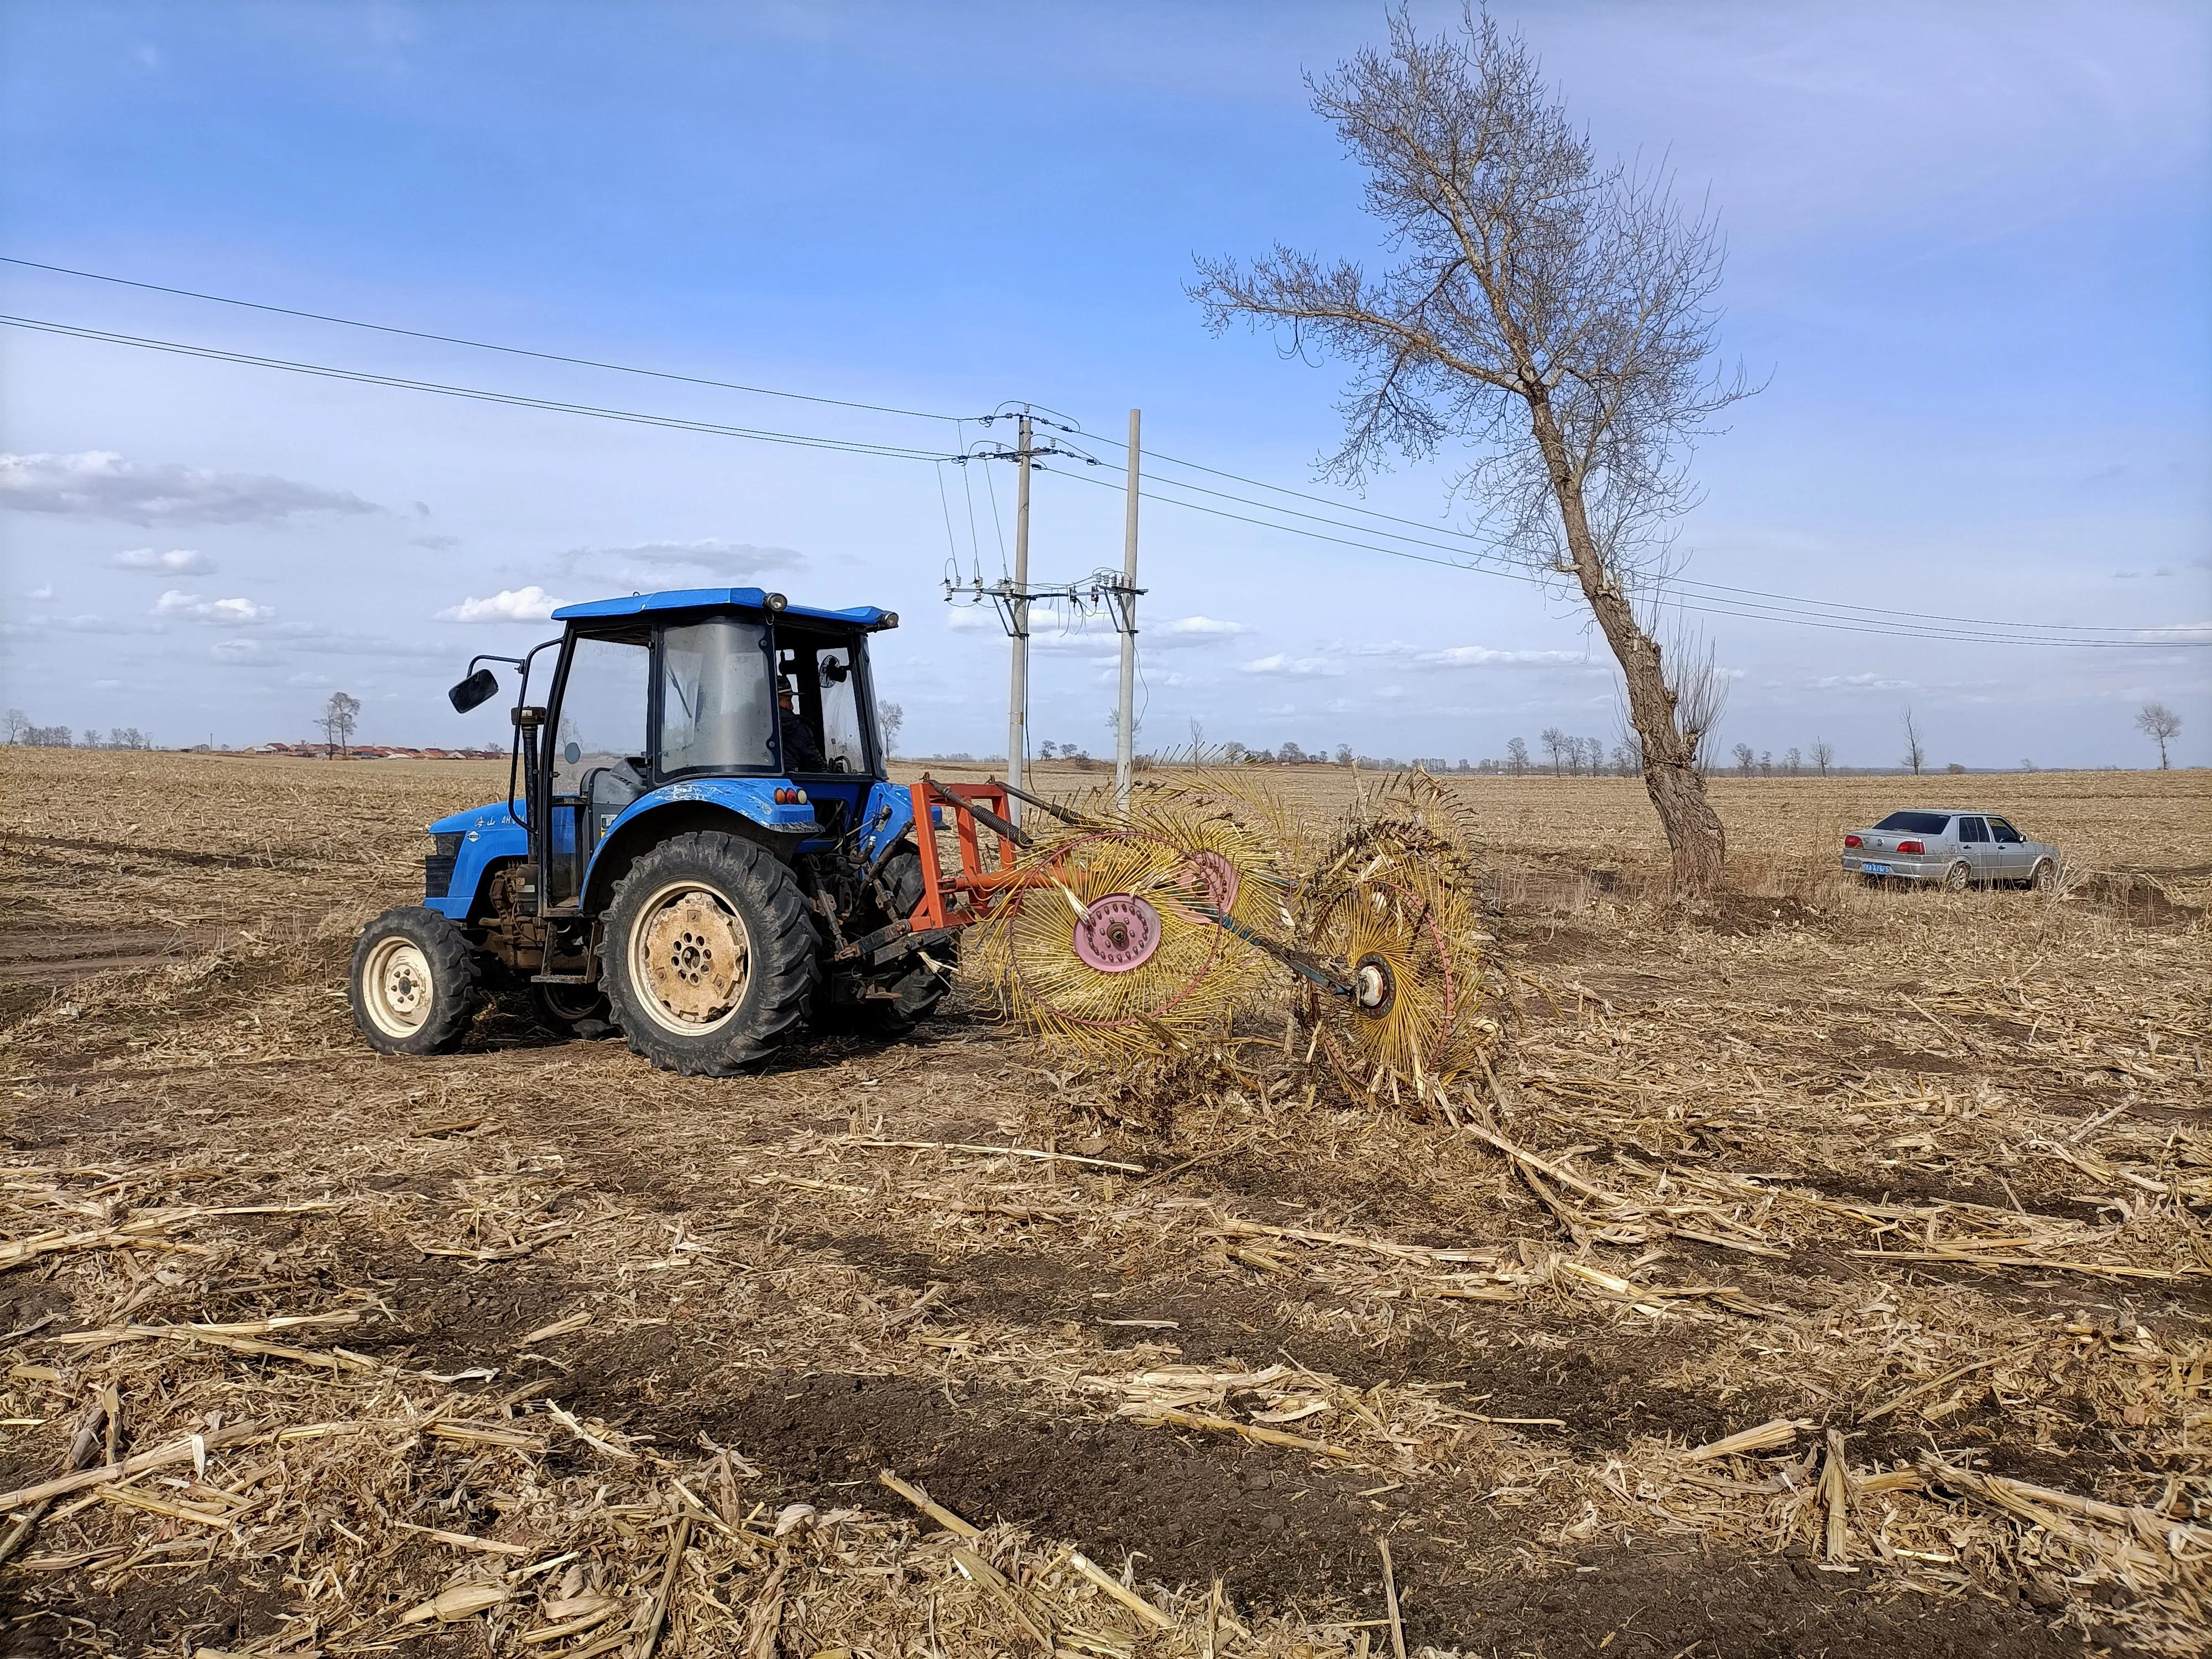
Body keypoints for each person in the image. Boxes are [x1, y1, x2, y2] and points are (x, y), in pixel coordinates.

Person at [776, 679, 825, 772]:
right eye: (788, 700)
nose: (791, 707)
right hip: (793, 781)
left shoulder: (749, 726)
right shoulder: (797, 728)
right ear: (775, 701)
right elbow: (816, 764)